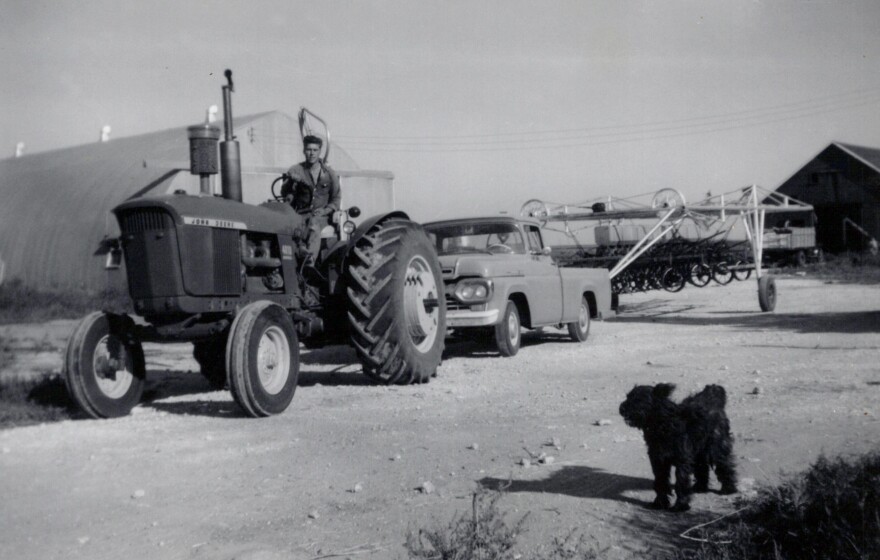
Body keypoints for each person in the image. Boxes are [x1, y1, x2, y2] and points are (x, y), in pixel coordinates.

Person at [282, 135, 341, 265]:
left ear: (320, 151)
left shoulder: (329, 173)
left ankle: (309, 262)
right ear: (304, 150)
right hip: (300, 214)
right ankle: (293, 259)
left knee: (314, 225)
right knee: (290, 229)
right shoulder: (295, 170)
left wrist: (325, 211)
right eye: (309, 149)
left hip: (321, 217)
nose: (312, 153)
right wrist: (291, 180)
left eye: (315, 150)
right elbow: (285, 193)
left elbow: (336, 199)